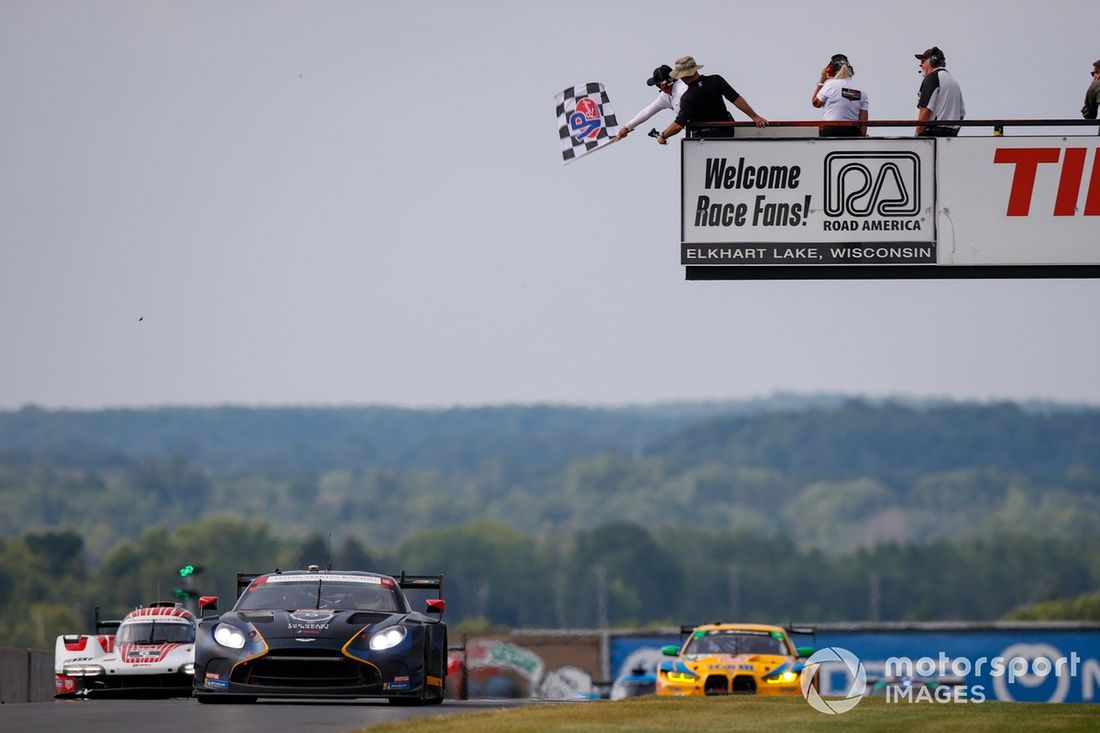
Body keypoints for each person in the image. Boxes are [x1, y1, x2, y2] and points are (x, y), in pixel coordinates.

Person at [655, 56, 767, 144]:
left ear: (685, 75)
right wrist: (755, 117)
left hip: (704, 141)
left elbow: (678, 125)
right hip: (727, 134)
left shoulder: (687, 98)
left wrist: (663, 136)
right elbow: (736, 99)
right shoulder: (716, 80)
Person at [616, 65, 688, 140]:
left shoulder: (682, 91)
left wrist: (663, 136)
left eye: (657, 85)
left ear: (664, 84)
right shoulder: (666, 95)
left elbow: (678, 125)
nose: (658, 88)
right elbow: (648, 111)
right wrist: (627, 127)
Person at [812, 54, 868, 137]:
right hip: (852, 132)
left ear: (830, 71)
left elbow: (816, 103)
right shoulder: (861, 90)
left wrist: (821, 82)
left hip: (830, 131)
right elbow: (863, 121)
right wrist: (862, 138)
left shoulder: (830, 85)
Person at [914, 46, 965, 137]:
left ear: (933, 60)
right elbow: (961, 115)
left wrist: (918, 133)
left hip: (932, 136)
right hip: (951, 136)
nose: (920, 65)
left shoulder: (932, 78)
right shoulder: (954, 81)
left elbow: (926, 109)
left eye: (923, 61)